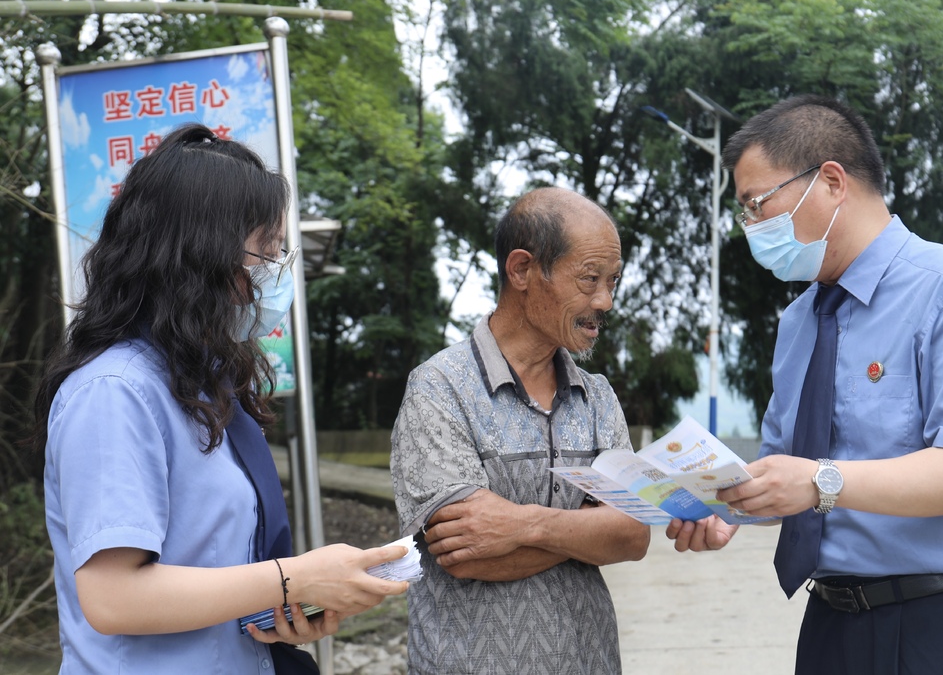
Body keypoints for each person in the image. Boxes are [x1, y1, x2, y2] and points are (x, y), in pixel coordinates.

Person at [666, 95, 943, 674]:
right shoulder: (799, 322)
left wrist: (820, 482)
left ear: (832, 182)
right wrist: (727, 506)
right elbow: (783, 467)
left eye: (758, 205)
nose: (752, 228)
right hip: (831, 625)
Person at [33, 123, 409, 674]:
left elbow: (214, 571)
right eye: (266, 253)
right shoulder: (113, 392)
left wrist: (285, 604)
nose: (276, 277)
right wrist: (294, 578)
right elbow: (113, 598)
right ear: (199, 253)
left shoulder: (200, 384)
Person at [390, 187, 651, 674]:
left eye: (613, 281)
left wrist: (521, 526)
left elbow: (632, 535)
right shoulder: (438, 389)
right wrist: (586, 530)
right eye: (590, 279)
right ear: (522, 270)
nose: (606, 301)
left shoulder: (597, 397)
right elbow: (466, 554)